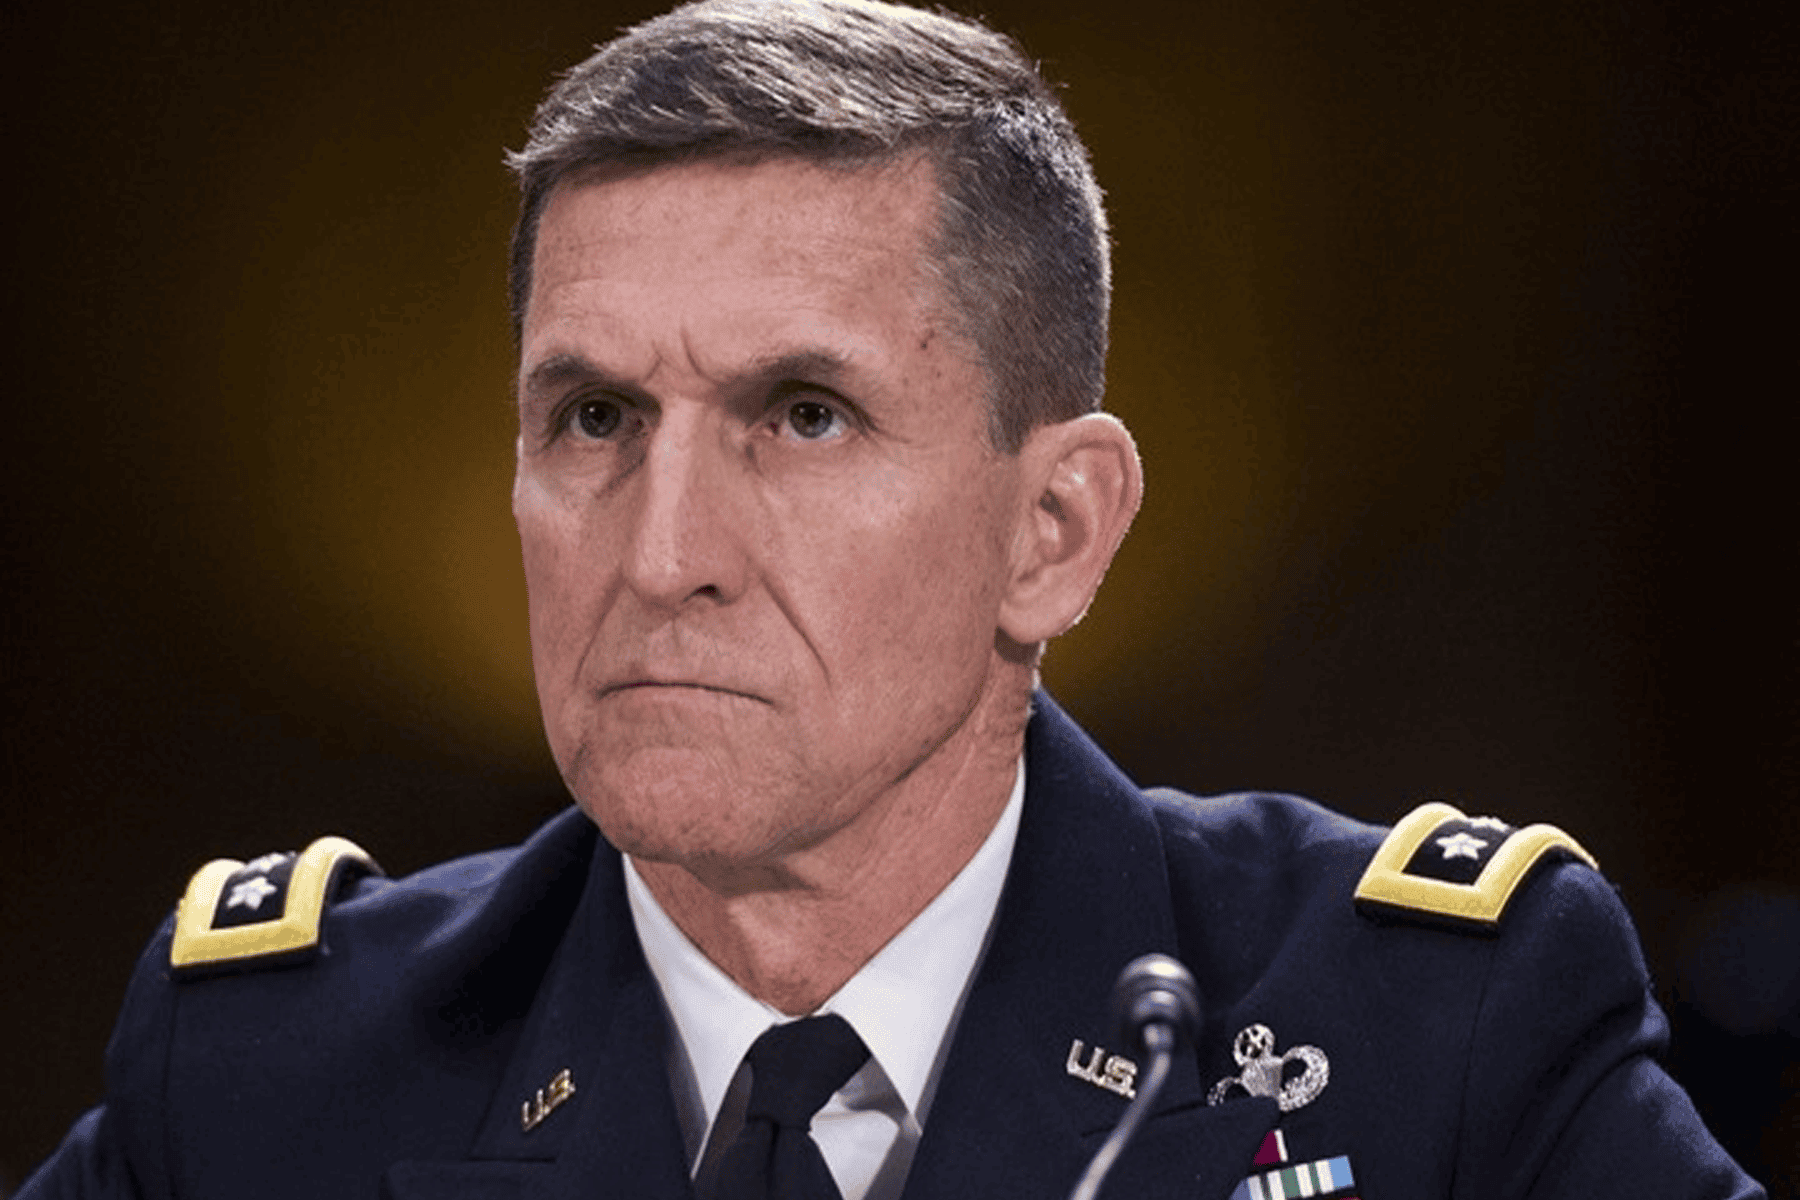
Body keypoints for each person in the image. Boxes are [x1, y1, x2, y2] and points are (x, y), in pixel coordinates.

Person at [18, 2, 1764, 1198]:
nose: (662, 553)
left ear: (1054, 531)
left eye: (803, 415)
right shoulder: (264, 1080)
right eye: (596, 420)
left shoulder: (1434, 1041)